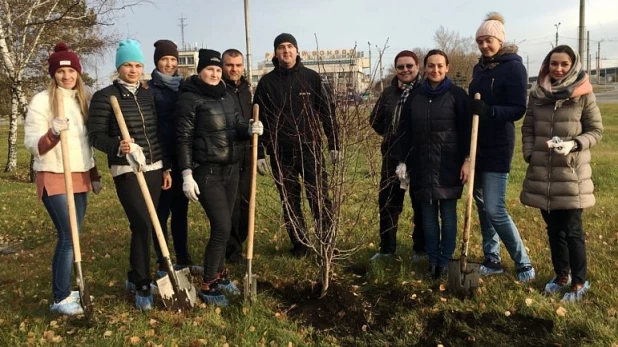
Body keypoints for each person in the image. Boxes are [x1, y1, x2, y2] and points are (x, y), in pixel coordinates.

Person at [88, 39, 172, 311]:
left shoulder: (147, 95)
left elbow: (157, 132)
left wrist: (166, 166)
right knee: (142, 224)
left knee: (155, 221)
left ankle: (134, 274)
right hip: (126, 169)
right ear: (118, 67)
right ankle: (142, 283)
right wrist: (117, 146)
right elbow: (96, 135)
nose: (133, 70)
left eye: (137, 65)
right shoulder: (104, 96)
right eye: (128, 65)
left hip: (154, 167)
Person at [176, 49, 263, 306]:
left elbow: (235, 124)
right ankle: (209, 282)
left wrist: (249, 128)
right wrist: (187, 173)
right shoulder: (189, 100)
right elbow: (183, 139)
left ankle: (221, 273)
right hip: (207, 171)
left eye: (217, 70)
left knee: (230, 222)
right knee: (222, 227)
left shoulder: (226, 95)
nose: (214, 74)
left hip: (231, 169)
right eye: (209, 70)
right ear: (200, 71)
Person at [24, 43, 101, 316]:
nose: (67, 76)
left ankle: (66, 288)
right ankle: (60, 297)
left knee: (75, 236)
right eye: (61, 71)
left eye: (71, 71)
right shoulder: (42, 101)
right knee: (68, 236)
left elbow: (86, 144)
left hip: (79, 174)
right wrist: (53, 133)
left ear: (78, 73)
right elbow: (32, 144)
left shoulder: (85, 99)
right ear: (53, 74)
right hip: (54, 174)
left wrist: (93, 174)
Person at [521, 45, 602, 302]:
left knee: (572, 229)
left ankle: (579, 281)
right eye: (554, 64)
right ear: (547, 65)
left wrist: (574, 144)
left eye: (564, 64)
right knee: (553, 229)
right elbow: (528, 128)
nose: (558, 69)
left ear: (572, 65)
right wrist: (530, 155)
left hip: (571, 173)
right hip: (543, 172)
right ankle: (561, 276)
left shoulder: (583, 94)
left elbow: (596, 131)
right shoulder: (537, 94)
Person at [254, 33, 340, 257]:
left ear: (297, 51)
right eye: (281, 47)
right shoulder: (266, 83)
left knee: (318, 196)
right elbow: (258, 120)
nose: (286, 51)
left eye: (290, 46)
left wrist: (334, 143)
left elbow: (327, 112)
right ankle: (300, 244)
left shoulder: (312, 78)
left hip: (309, 148)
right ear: (275, 53)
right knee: (290, 200)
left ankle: (326, 241)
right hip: (280, 152)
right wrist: (261, 153)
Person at [468, 12, 536, 282]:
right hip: (476, 144)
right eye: (480, 41)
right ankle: (492, 258)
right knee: (482, 205)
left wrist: (490, 110)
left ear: (500, 40)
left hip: (498, 144)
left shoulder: (514, 67)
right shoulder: (478, 68)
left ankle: (524, 263)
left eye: (488, 40)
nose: (484, 46)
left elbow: (519, 108)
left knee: (495, 208)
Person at [395, 50, 471, 278]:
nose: (435, 70)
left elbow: (467, 131)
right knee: (427, 217)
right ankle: (432, 261)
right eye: (431, 66)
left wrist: (467, 160)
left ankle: (445, 261)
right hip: (422, 165)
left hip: (449, 165)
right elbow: (405, 131)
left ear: (447, 67)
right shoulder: (415, 97)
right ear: (425, 68)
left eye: (440, 66)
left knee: (448, 215)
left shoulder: (458, 95)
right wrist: (402, 161)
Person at [369, 50, 426, 261]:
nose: (405, 70)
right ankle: (387, 249)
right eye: (400, 67)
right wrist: (392, 135)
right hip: (392, 156)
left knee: (420, 204)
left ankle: (421, 249)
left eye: (409, 66)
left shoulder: (425, 91)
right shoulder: (388, 93)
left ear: (417, 67)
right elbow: (375, 119)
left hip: (419, 156)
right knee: (388, 202)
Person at [147, 39, 197, 275]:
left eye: (173, 60)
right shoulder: (150, 91)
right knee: (161, 212)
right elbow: (151, 129)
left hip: (182, 159)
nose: (169, 64)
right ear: (157, 61)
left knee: (181, 212)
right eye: (164, 59)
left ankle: (183, 258)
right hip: (162, 161)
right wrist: (164, 164)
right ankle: (163, 262)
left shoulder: (184, 87)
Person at [221, 48, 253, 264]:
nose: (234, 69)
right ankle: (231, 251)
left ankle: (239, 242)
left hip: (247, 154)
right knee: (230, 206)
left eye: (238, 65)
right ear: (223, 66)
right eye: (230, 65)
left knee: (245, 203)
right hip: (227, 154)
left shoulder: (246, 90)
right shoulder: (219, 89)